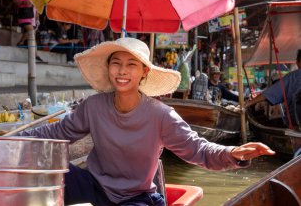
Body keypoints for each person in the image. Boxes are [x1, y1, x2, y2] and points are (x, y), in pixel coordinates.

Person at [18, 38, 275, 206]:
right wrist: (11, 142)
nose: (122, 71)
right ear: (109, 68)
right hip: (94, 186)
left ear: (144, 72)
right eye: (116, 63)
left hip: (135, 197)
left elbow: (198, 149)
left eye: (132, 64)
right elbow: (58, 132)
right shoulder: (93, 106)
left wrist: (233, 153)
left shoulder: (160, 114)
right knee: (43, 169)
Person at [246, 49, 301, 125]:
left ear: (298, 62)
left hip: (296, 125)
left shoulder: (293, 77)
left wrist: (248, 104)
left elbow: (270, 94)